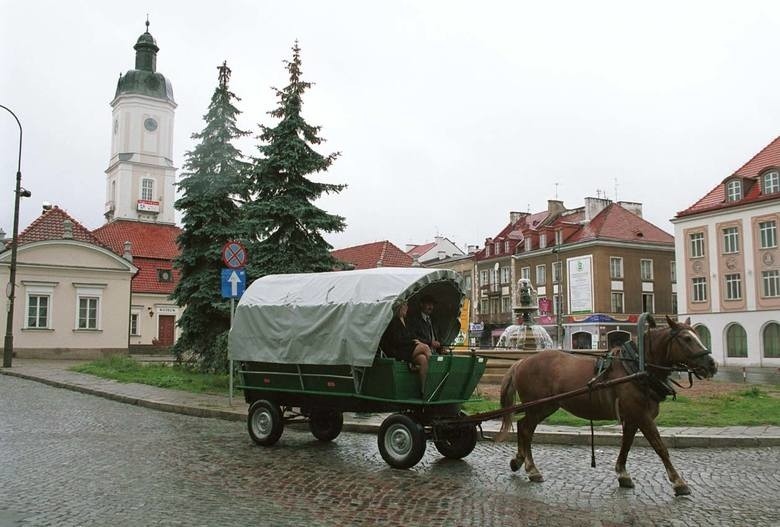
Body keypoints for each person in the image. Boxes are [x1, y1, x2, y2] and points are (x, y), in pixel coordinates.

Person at [380, 301, 432, 390]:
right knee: (425, 347)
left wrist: (416, 341)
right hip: (398, 350)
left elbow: (413, 335)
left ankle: (424, 389)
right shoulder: (393, 322)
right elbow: (397, 341)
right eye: (405, 305)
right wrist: (413, 342)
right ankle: (435, 374)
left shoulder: (407, 321)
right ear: (399, 307)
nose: (407, 308)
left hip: (407, 349)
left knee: (423, 359)